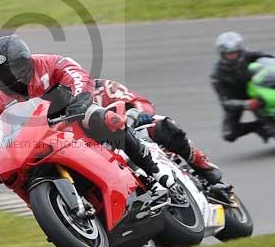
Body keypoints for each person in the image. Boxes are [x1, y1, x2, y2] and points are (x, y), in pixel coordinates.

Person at [0, 35, 168, 188]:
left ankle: (155, 171)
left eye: (10, 70)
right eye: (0, 73)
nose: (7, 77)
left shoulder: (50, 63)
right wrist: (4, 159)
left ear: (25, 62)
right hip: (37, 140)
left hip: (72, 117)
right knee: (15, 177)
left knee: (103, 118)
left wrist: (81, 100)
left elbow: (77, 75)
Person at [93, 78, 222, 184]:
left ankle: (203, 165)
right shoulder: (72, 117)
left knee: (161, 126)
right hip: (106, 154)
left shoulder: (102, 88)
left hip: (131, 132)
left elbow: (139, 103)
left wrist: (134, 117)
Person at [211, 31, 275, 143]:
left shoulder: (247, 55)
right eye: (228, 54)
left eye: (235, 53)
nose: (232, 56)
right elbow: (225, 102)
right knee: (229, 134)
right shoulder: (217, 75)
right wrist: (246, 104)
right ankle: (259, 126)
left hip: (258, 86)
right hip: (238, 98)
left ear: (240, 50)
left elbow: (268, 55)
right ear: (221, 54)